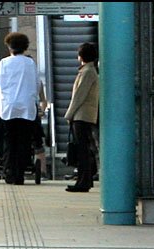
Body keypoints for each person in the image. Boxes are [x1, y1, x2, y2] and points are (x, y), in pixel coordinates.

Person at [0, 32, 38, 185]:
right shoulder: (30, 63)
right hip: (27, 107)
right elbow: (36, 84)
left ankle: (9, 172)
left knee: (9, 141)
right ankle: (20, 174)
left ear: (10, 47)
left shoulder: (4, 63)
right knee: (24, 141)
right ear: (25, 47)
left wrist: (3, 98)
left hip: (9, 107)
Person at [63, 42, 99, 193]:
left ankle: (83, 181)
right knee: (84, 149)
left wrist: (69, 114)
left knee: (82, 150)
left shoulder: (87, 72)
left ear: (81, 56)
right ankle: (85, 179)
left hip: (81, 115)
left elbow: (78, 96)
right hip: (86, 115)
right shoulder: (91, 71)